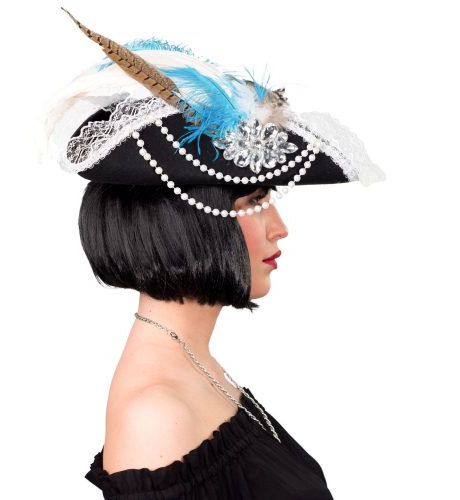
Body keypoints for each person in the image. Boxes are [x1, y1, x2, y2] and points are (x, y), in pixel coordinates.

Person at [37, 8, 385, 499]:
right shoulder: (156, 414)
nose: (280, 229)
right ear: (188, 220)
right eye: (255, 202)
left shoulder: (198, 367)